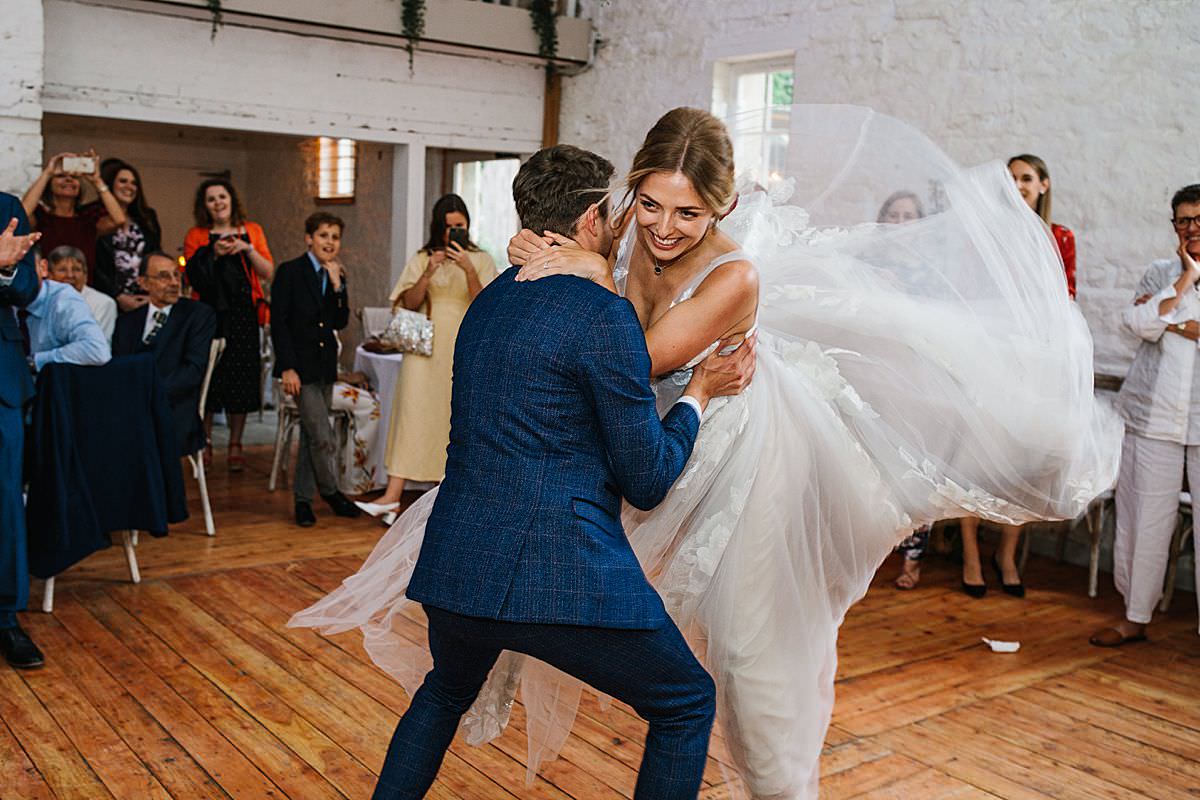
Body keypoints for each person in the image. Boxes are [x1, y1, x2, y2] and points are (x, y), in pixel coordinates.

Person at [293, 107, 1120, 798]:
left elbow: (636, 356)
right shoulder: (599, 259)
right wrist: (583, 266)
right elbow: (618, 387)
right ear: (621, 202)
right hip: (612, 480)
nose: (662, 227)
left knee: (748, 653)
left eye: (687, 214)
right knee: (679, 697)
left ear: (718, 214)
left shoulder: (723, 278)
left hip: (724, 463)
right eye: (649, 206)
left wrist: (589, 276)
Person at [298, 144, 757, 799]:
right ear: (594, 217)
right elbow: (648, 479)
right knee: (685, 702)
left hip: (457, 566)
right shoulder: (604, 316)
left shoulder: (488, 305)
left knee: (443, 692)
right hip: (560, 575)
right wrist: (700, 393)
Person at [1090, 184, 1200, 648]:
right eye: (1183, 220)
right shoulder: (1161, 272)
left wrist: (1165, 321)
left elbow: (1153, 323)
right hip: (1151, 414)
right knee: (1143, 518)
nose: (1191, 227)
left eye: (1199, 219)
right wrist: (1184, 285)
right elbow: (1136, 325)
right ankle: (1135, 615)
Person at [356, 195, 498, 523]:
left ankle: (440, 497)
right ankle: (392, 496)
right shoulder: (423, 257)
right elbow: (407, 303)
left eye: (459, 226)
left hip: (463, 344)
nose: (453, 233)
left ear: (467, 225)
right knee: (411, 414)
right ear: (437, 227)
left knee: (449, 417)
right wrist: (428, 272)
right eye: (447, 227)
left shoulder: (481, 259)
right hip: (423, 347)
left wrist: (466, 268)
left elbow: (488, 304)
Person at [270, 212, 361, 527]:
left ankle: (303, 501)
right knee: (323, 437)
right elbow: (278, 323)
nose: (330, 242)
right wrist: (287, 368)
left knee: (312, 434)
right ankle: (332, 492)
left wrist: (337, 287)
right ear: (309, 238)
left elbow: (339, 322)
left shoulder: (337, 275)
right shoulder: (290, 272)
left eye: (335, 237)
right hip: (300, 369)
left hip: (324, 368)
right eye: (324, 235)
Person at [183, 178, 273, 470]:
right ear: (204, 206)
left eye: (222, 196)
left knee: (242, 380)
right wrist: (213, 253)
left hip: (244, 316)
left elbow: (268, 271)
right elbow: (191, 276)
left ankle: (236, 442)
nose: (218, 203)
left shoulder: (253, 230)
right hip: (208, 315)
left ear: (232, 199)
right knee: (209, 380)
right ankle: (205, 441)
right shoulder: (196, 234)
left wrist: (246, 249)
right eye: (211, 199)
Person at [111, 251, 217, 459]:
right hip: (130, 406)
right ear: (143, 283)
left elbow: (192, 371)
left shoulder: (197, 315)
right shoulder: (127, 322)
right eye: (163, 276)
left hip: (174, 408)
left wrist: (150, 395)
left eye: (176, 275)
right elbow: (118, 367)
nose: (174, 282)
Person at [0, 194, 43, 669]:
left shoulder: (7, 207)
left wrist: (7, 269)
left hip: (1, 381)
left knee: (6, 501)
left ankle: (6, 617)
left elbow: (28, 285)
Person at [20, 149, 126, 282]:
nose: (69, 179)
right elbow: (22, 213)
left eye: (75, 177)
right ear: (49, 184)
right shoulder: (42, 217)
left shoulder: (87, 219)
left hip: (82, 289)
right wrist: (48, 172)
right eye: (61, 176)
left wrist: (97, 180)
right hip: (47, 289)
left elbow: (119, 220)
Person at [93, 159, 161, 312]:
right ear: (110, 184)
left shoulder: (147, 218)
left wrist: (153, 293)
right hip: (107, 299)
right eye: (123, 181)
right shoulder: (94, 216)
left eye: (134, 183)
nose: (130, 187)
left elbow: (156, 256)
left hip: (144, 298)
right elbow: (95, 264)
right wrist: (117, 296)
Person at [24, 252, 111, 371]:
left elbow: (97, 350)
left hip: (50, 386)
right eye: (5, 270)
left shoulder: (63, 299)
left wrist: (34, 361)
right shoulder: (6, 298)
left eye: (76, 270)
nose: (70, 275)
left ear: (43, 268)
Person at [1008, 154, 1076, 298]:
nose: (1017, 185)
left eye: (1026, 179)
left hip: (1044, 316)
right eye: (1011, 179)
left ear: (1043, 185)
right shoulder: (994, 232)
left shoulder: (1061, 236)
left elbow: (1068, 290)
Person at [44, 245, 117, 340]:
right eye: (62, 270)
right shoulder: (41, 301)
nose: (70, 275)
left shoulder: (103, 303)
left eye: (76, 269)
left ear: (86, 275)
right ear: (49, 276)